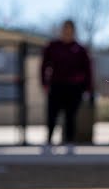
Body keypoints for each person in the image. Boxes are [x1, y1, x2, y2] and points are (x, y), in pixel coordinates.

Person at [40, 19, 94, 148]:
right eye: (65, 28)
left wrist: (87, 88)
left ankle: (69, 141)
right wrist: (44, 83)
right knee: (52, 114)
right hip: (56, 86)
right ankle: (48, 141)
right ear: (61, 30)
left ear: (74, 31)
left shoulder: (80, 49)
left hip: (74, 88)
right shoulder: (52, 47)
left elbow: (88, 70)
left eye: (70, 29)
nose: (67, 31)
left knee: (71, 115)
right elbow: (43, 66)